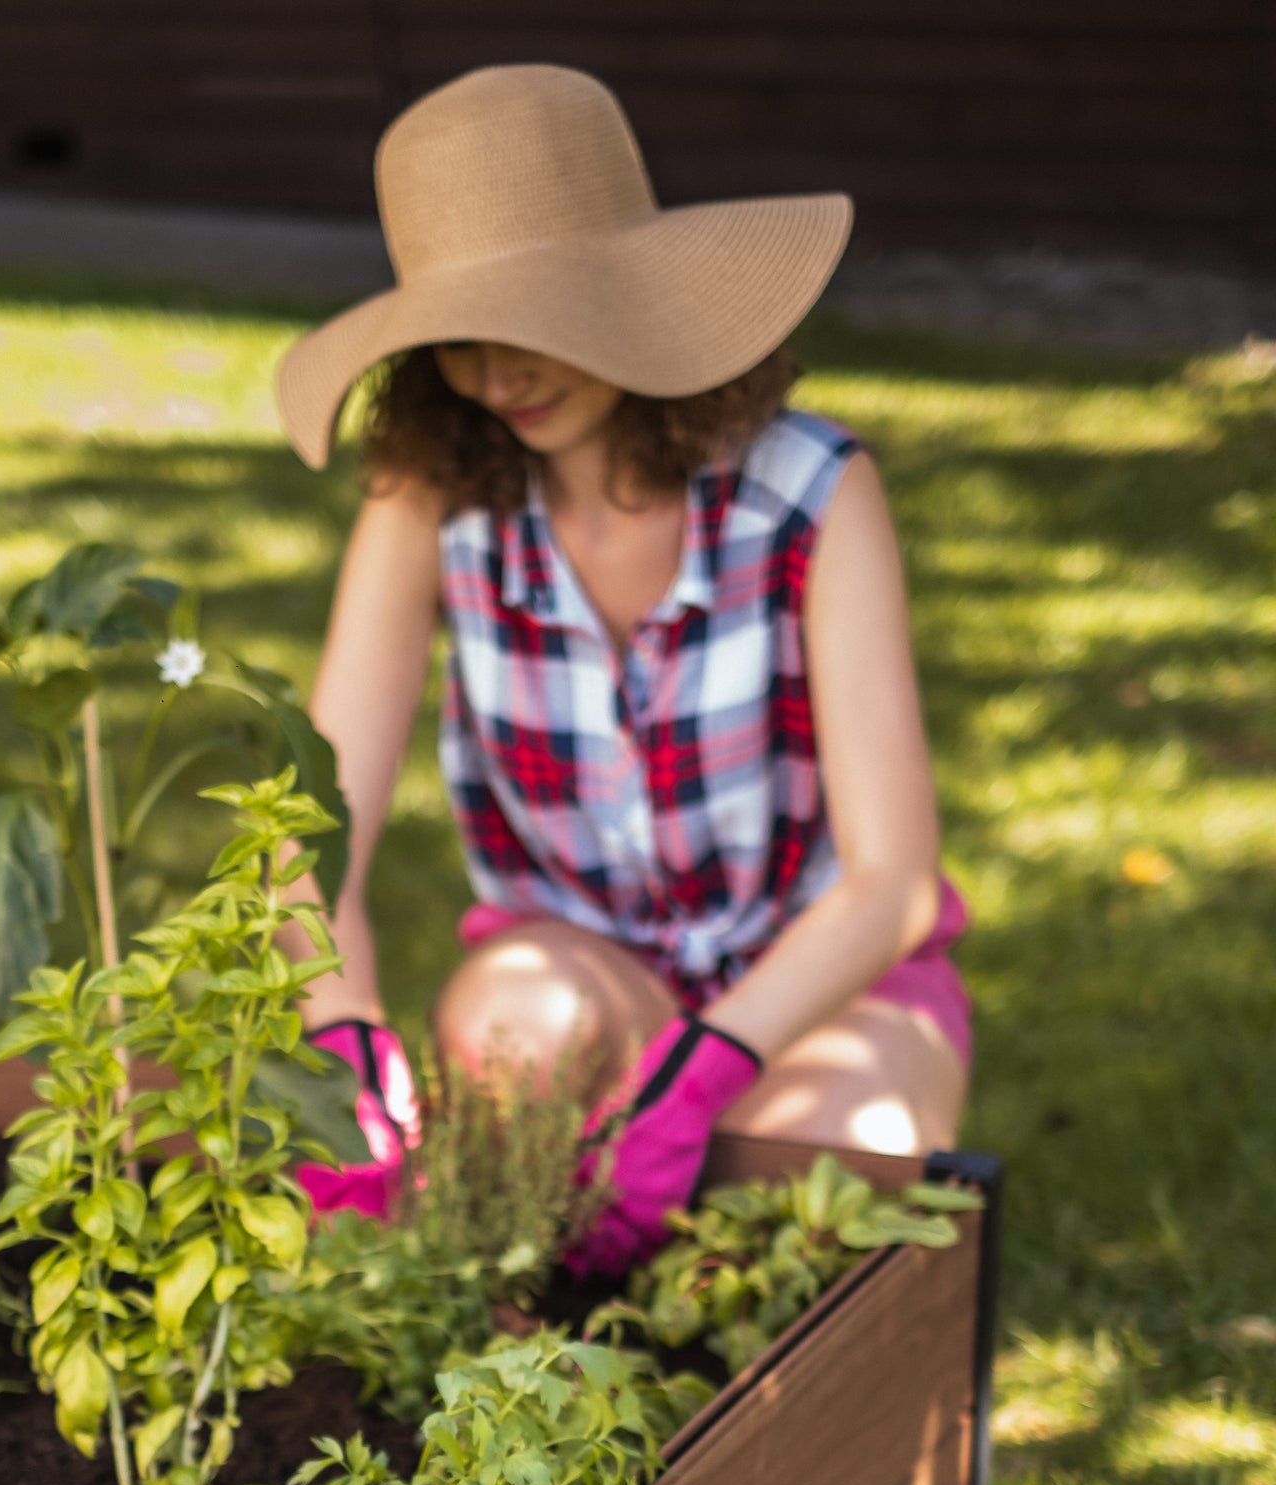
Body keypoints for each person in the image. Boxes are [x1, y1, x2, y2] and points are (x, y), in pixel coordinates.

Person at [274, 63, 969, 1274]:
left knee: (816, 1192)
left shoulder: (808, 493)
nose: (498, 378)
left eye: (532, 326)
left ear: (627, 294)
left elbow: (891, 884)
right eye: (460, 340)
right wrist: (344, 1040)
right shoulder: (431, 500)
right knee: (511, 1023)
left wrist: (701, 1074)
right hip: (583, 974)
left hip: (820, 992)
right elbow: (311, 830)